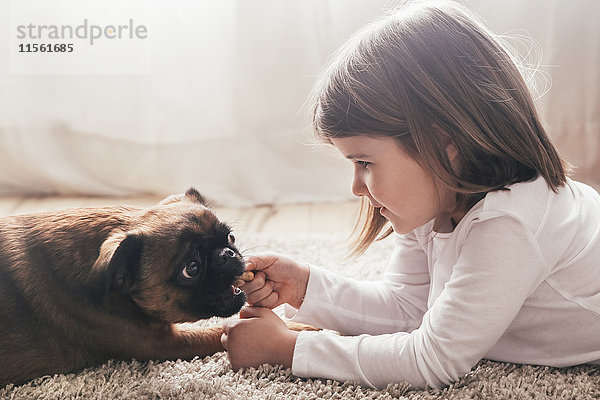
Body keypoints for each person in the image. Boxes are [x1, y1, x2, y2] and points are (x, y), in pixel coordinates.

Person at [220, 0, 600, 389]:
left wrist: (290, 348)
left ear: (443, 143)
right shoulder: (437, 198)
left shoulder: (508, 223)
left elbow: (431, 360)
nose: (355, 187)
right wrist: (304, 287)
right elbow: (409, 308)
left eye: (364, 163)